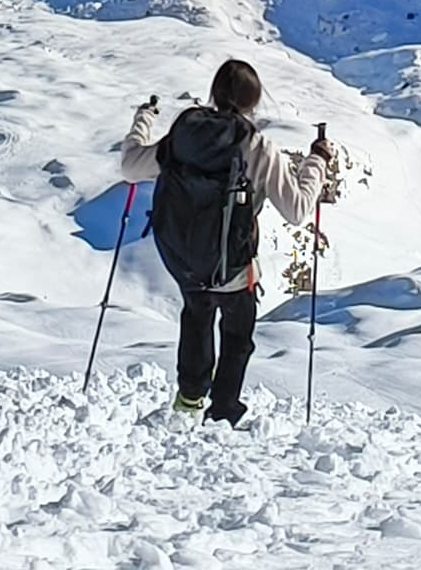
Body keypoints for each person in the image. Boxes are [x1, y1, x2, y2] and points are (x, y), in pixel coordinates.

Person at [120, 58, 332, 426]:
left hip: (184, 257)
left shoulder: (184, 136)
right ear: (253, 101)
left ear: (215, 93)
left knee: (196, 317)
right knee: (236, 336)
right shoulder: (257, 146)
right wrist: (317, 161)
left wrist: (144, 120)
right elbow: (297, 209)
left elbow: (131, 167)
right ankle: (223, 412)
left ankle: (189, 401)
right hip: (234, 265)